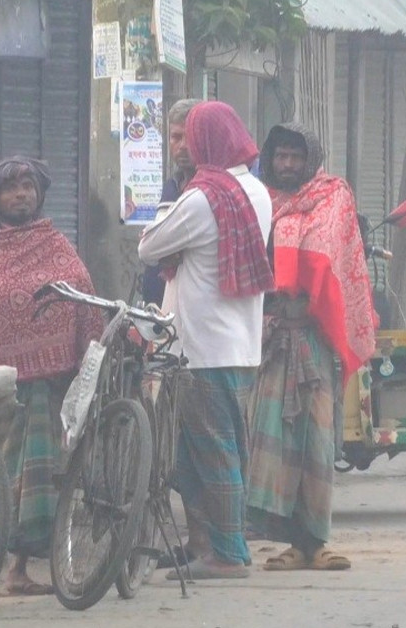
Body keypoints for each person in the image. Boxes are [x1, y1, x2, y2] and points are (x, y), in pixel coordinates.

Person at [0, 156, 104, 594]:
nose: (21, 194)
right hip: (0, 386)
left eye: (28, 186)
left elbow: (80, 287)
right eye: (11, 187)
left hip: (47, 386)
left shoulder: (54, 241)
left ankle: (20, 569)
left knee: (39, 476)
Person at [138, 101, 273, 579]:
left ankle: (229, 553)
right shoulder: (255, 191)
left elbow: (149, 246)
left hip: (199, 349)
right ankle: (212, 544)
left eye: (189, 138)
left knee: (212, 452)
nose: (184, 148)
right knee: (209, 450)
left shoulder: (201, 199)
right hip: (237, 345)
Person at [246, 123, 376, 572]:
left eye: (294, 157)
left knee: (317, 442)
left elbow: (337, 261)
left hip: (316, 341)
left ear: (311, 159)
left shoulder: (334, 196)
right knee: (276, 443)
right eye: (279, 156)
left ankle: (318, 540)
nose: (286, 165)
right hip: (274, 341)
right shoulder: (258, 200)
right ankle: (290, 543)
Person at [140, 98, 203, 306]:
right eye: (176, 137)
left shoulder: (210, 191)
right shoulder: (171, 187)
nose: (182, 146)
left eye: (190, 137)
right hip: (160, 307)